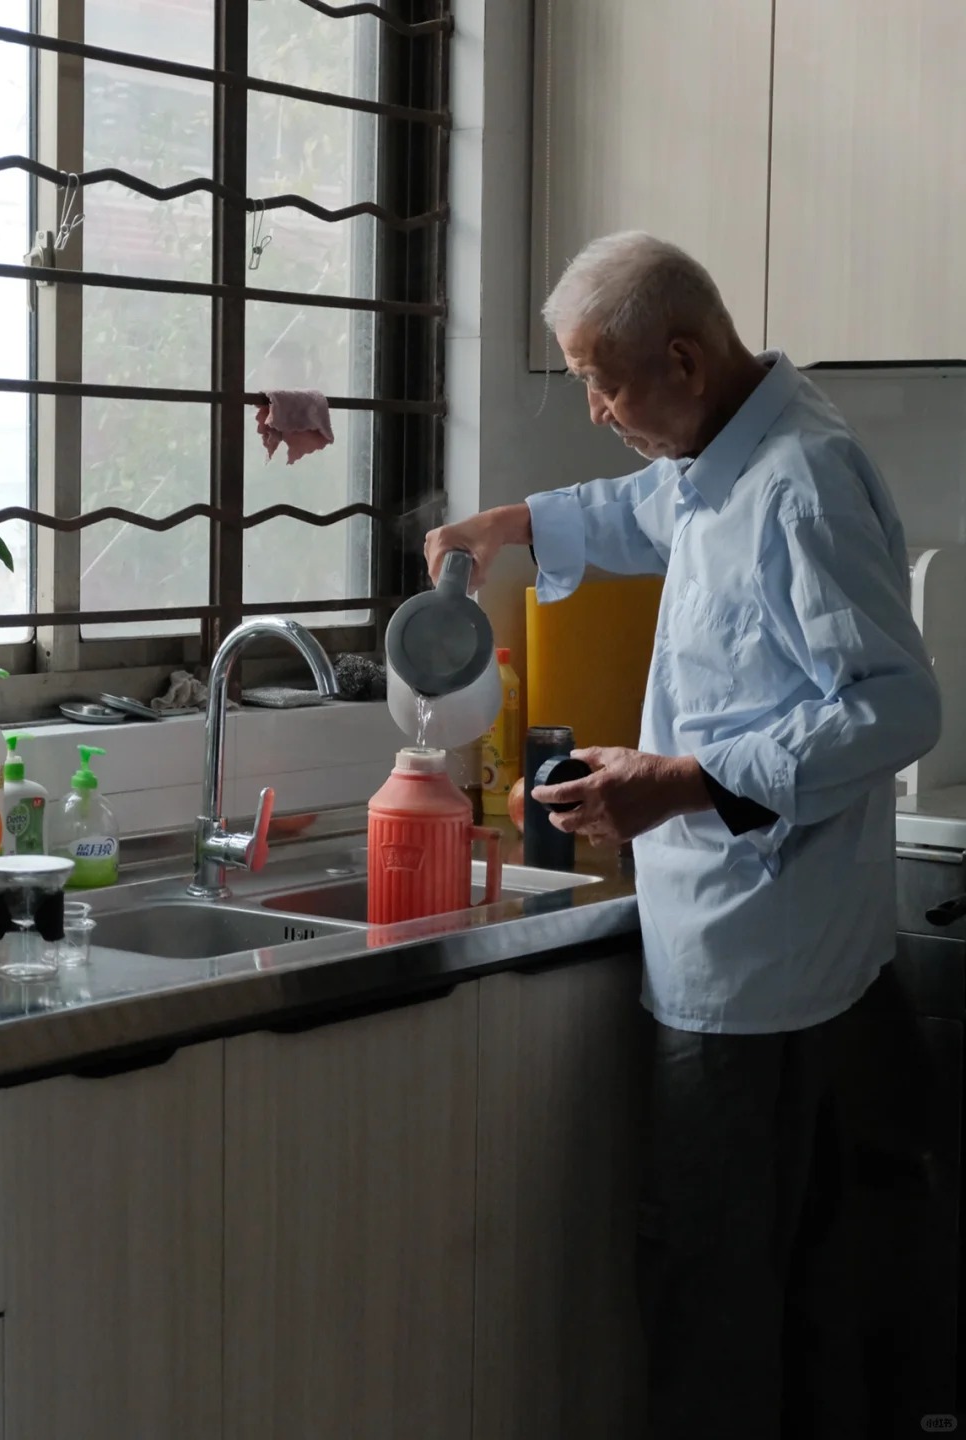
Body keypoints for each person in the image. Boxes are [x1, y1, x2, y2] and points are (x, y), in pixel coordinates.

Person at [425, 232, 941, 1440]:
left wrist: (680, 783)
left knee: (718, 1316)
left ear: (683, 361)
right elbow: (656, 509)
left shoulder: (801, 482)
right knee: (799, 1319)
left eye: (601, 384)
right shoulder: (734, 449)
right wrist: (516, 523)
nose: (596, 412)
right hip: (788, 962)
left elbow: (896, 707)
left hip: (756, 983)